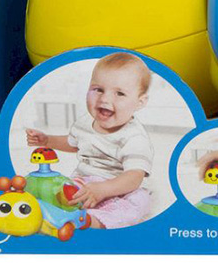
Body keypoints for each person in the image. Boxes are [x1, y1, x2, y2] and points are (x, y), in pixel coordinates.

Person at [26, 52, 153, 229]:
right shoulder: (85, 123)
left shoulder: (134, 137)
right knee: (59, 189)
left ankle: (91, 221)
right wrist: (47, 140)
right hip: (85, 181)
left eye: (120, 93)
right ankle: (52, 212)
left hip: (122, 188)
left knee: (139, 202)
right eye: (98, 89)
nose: (105, 99)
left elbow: (134, 177)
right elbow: (73, 144)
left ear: (140, 102)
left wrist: (104, 189)